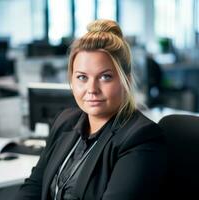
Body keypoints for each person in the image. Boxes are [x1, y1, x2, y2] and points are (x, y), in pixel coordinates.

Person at [15, 19, 167, 200]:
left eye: (105, 77)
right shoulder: (64, 121)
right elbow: (34, 187)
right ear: (72, 80)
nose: (92, 89)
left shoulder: (141, 138)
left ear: (125, 80)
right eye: (82, 77)